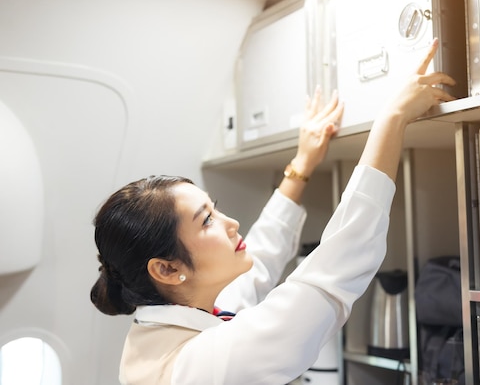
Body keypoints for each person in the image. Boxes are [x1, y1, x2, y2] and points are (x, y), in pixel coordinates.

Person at [90, 39, 456, 385]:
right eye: (207, 220)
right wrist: (392, 117)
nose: (231, 223)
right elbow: (333, 271)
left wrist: (301, 165)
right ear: (167, 269)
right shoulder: (201, 365)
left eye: (214, 209)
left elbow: (259, 260)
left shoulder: (171, 322)